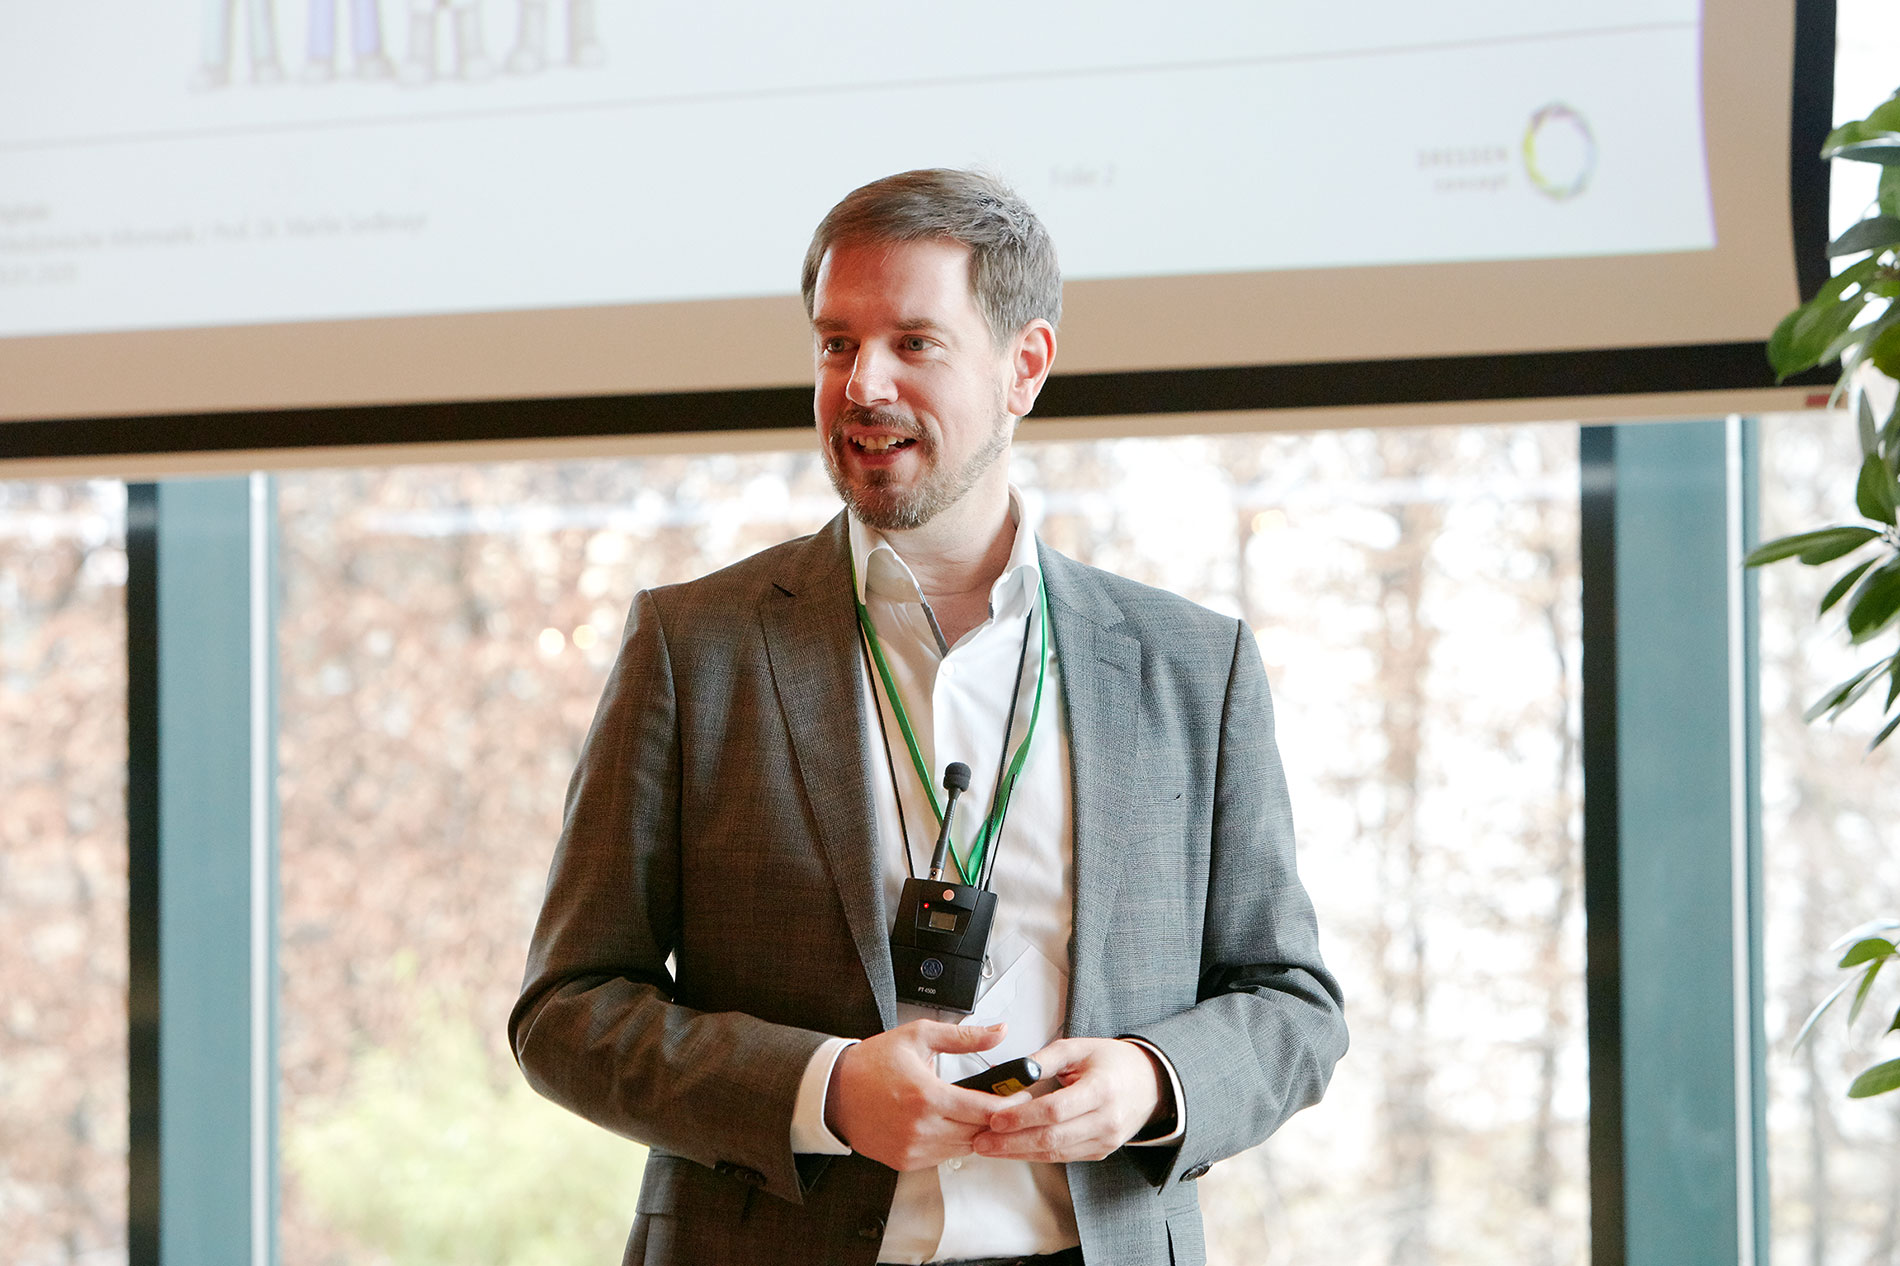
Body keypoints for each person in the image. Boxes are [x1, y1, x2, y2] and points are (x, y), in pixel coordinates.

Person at [510, 168, 1347, 1266]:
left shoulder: (1192, 666)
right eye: (836, 344)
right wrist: (820, 1091)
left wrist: (1153, 1080)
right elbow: (567, 1011)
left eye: (914, 342)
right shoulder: (693, 645)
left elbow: (1290, 1004)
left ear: (1024, 367)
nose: (863, 384)